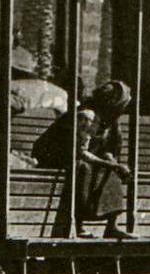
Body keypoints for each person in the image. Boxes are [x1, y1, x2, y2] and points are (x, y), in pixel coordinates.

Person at [35, 77, 132, 236]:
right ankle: (78, 226)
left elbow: (107, 150)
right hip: (54, 156)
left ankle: (111, 227)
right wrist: (112, 164)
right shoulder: (87, 116)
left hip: (81, 157)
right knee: (83, 168)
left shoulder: (110, 122)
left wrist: (114, 164)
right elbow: (80, 152)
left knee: (112, 171)